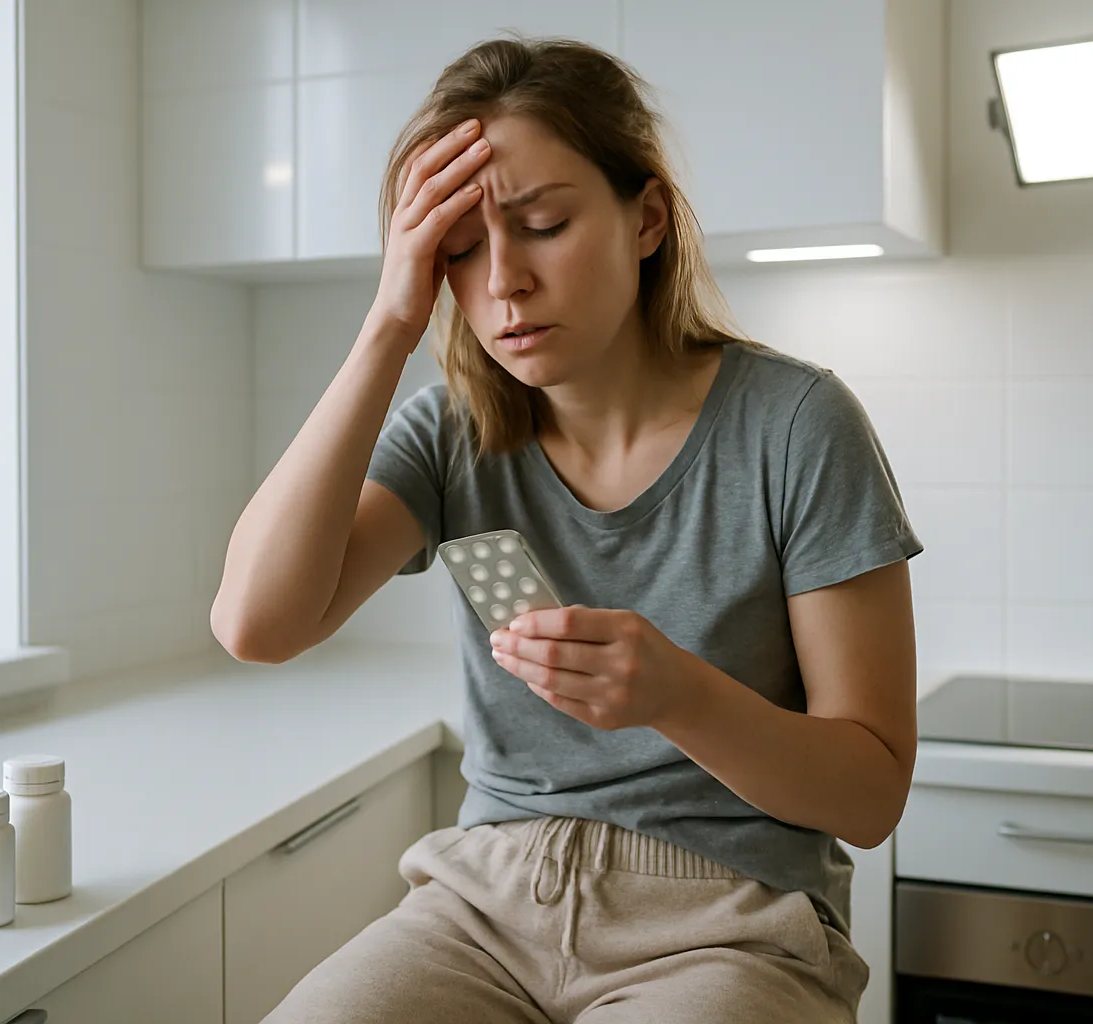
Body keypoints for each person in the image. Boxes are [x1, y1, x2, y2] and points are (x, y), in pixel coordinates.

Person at [211, 35, 923, 1024]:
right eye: (458, 247)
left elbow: (871, 795)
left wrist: (677, 693)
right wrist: (387, 325)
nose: (502, 279)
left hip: (731, 918)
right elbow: (255, 624)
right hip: (483, 906)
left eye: (542, 223)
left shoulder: (798, 425)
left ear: (647, 217)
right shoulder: (452, 431)